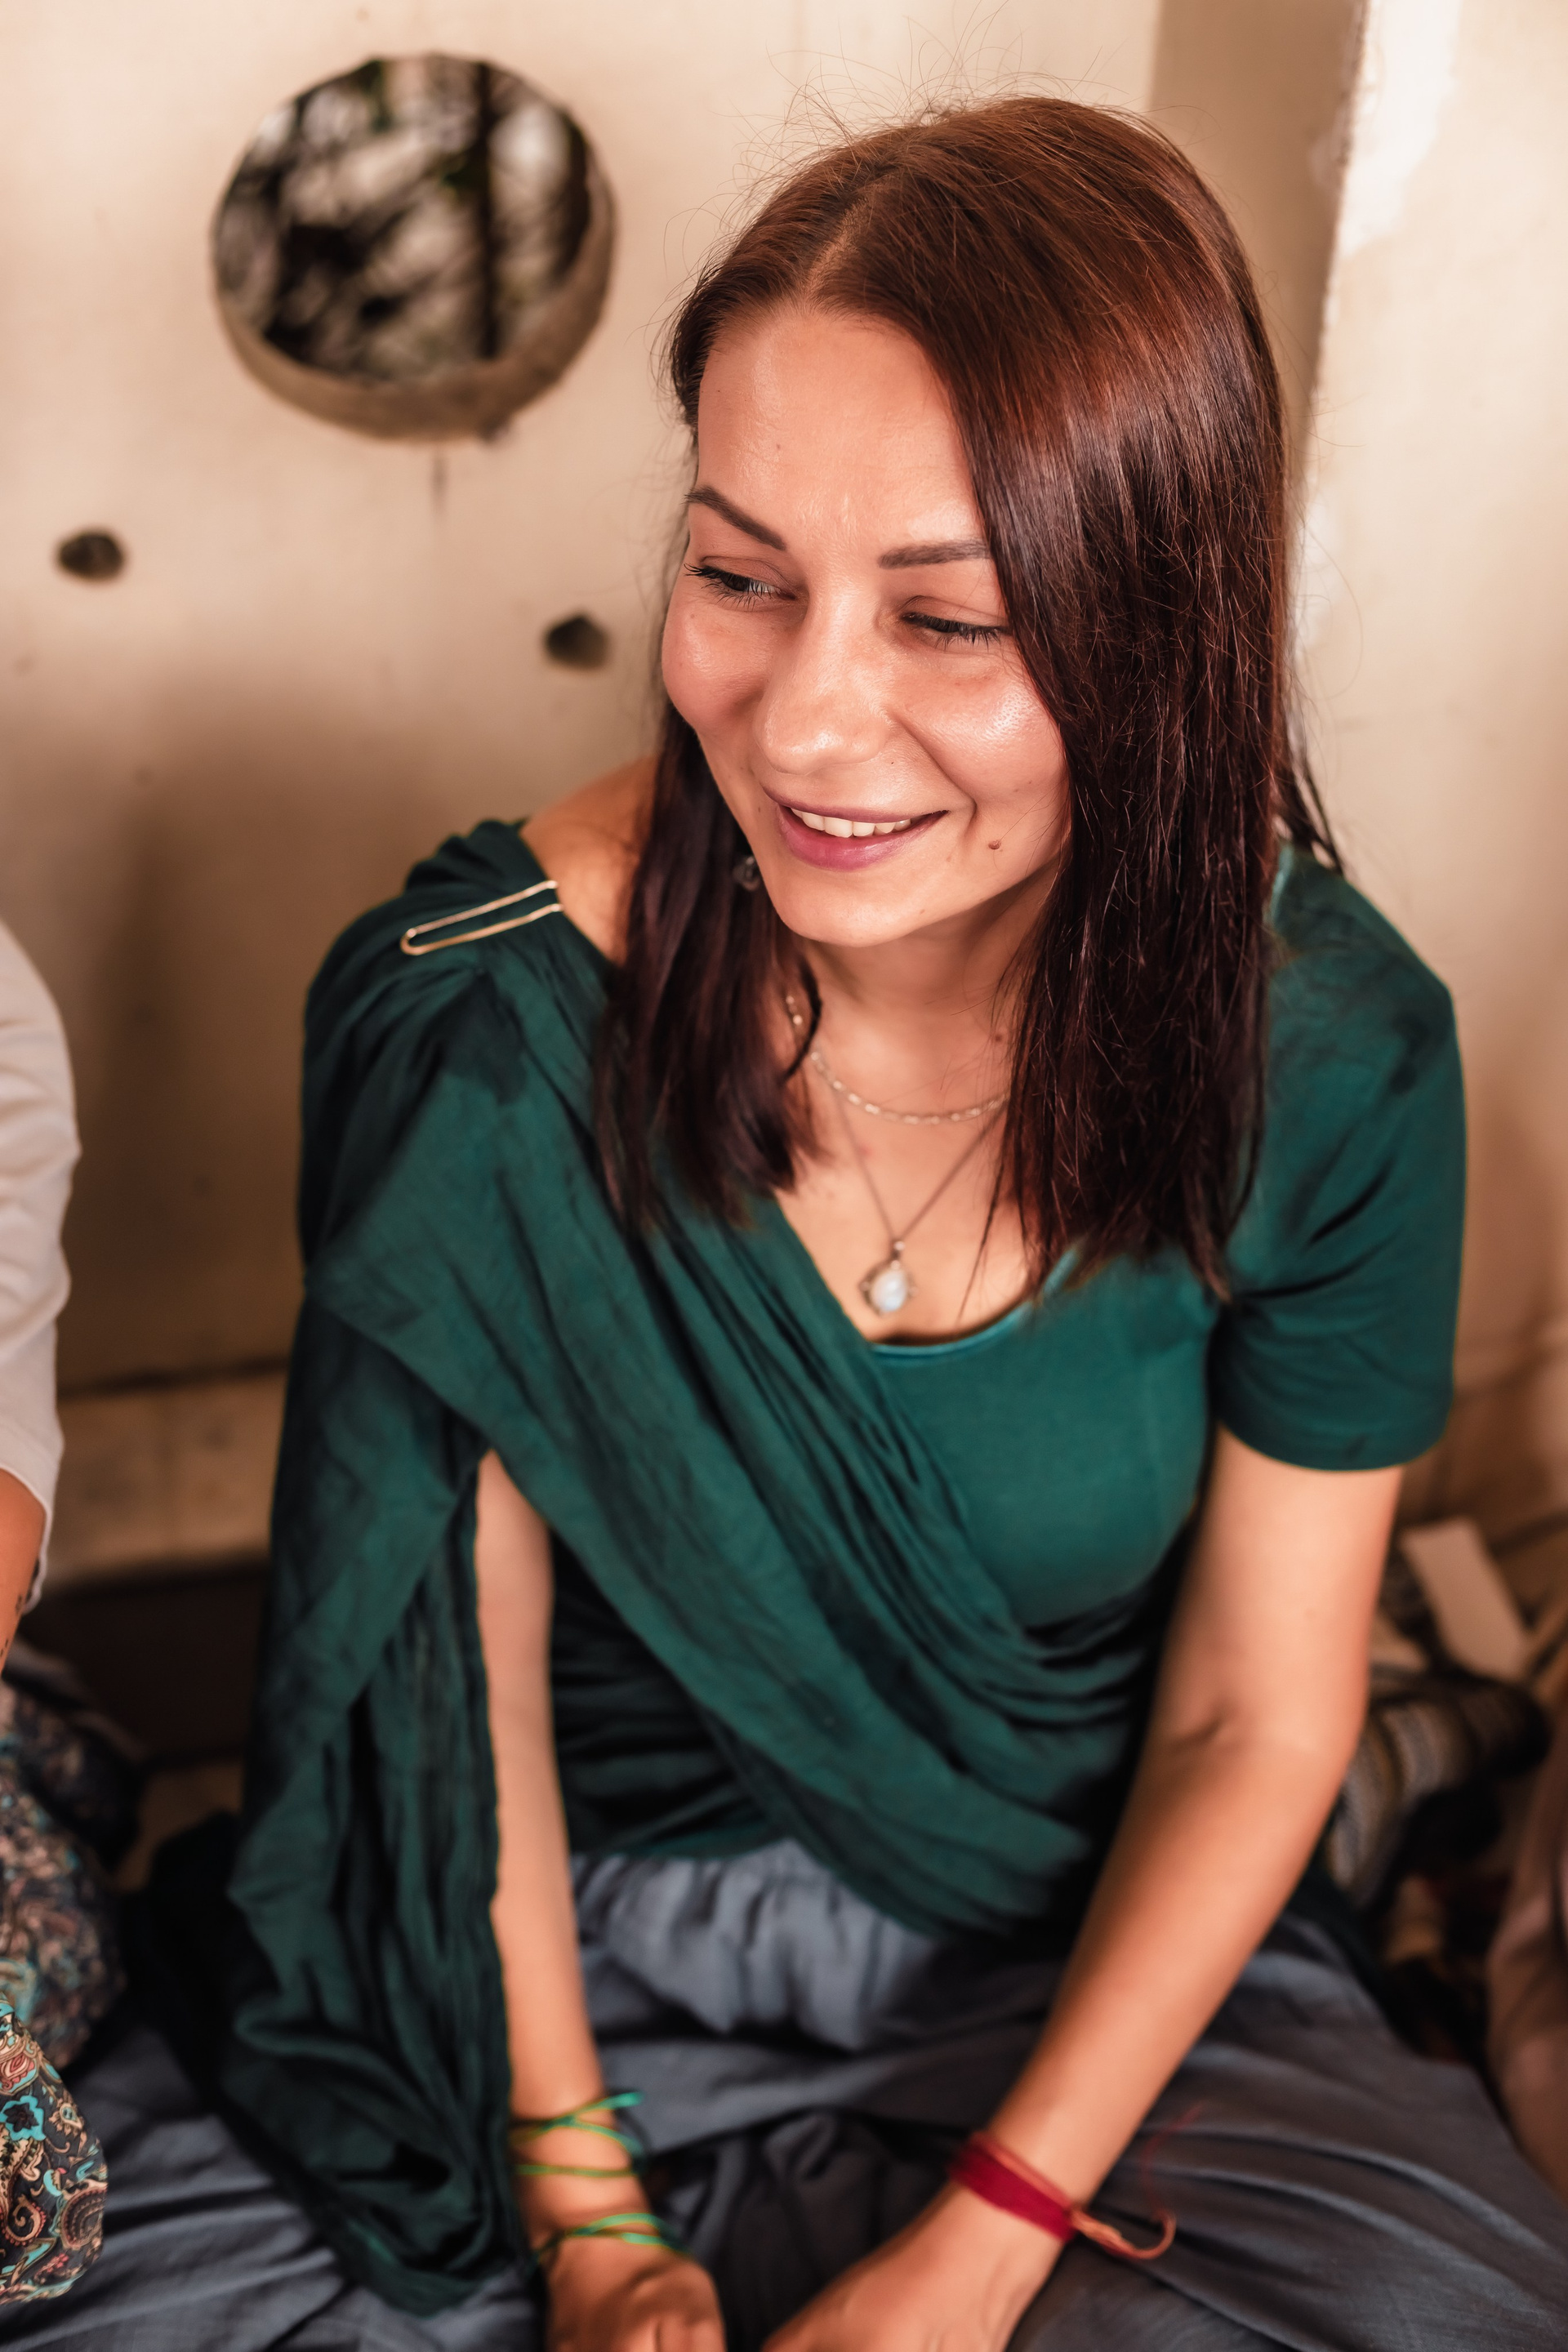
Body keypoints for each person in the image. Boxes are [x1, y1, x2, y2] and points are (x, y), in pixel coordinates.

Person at [22, 96, 1568, 2352]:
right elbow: (455, 1706)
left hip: (1087, 1971)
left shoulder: (1336, 1057)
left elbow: (1255, 1713)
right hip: (552, 1971)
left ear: (1166, 632)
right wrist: (589, 2228)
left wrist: (984, 2242)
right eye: (740, 577)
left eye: (950, 618)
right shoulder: (486, 1029)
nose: (809, 725)